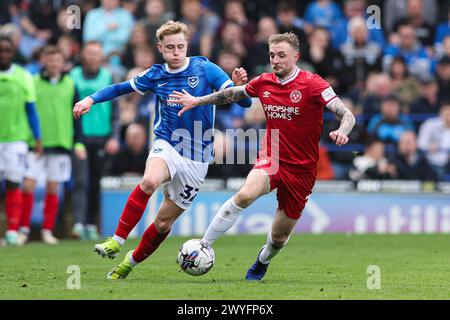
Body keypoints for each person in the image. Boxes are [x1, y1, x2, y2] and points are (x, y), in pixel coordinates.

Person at [72, 20, 251, 279]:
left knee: (163, 223)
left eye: (180, 46)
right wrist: (90, 99)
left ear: (187, 44)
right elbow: (120, 88)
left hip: (198, 157)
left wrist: (238, 89)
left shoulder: (206, 69)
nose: (176, 52)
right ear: (160, 47)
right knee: (149, 181)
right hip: (168, 142)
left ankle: (128, 264)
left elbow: (244, 106)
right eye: (170, 47)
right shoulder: (156, 74)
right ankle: (117, 240)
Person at [170, 32, 356, 280]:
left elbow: (347, 114)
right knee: (245, 194)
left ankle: (263, 259)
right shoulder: (264, 82)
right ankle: (204, 244)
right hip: (273, 155)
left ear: (296, 56)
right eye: (272, 55)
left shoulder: (314, 84)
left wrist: (343, 132)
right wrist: (197, 101)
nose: (275, 60)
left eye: (282, 55)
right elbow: (232, 94)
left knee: (279, 237)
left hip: (302, 170)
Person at [19, 46, 82, 245]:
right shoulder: (33, 82)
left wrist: (77, 141)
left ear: (63, 63)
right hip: (36, 144)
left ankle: (47, 230)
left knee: (53, 188)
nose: (54, 63)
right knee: (28, 185)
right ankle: (23, 229)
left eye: (58, 60)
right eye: (50, 59)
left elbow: (77, 116)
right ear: (44, 61)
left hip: (61, 143)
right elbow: (26, 111)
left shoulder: (71, 84)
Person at [69, 41, 120, 240]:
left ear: (101, 57)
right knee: (80, 181)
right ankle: (78, 224)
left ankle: (91, 224)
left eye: (96, 53)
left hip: (102, 137)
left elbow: (115, 111)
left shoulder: (108, 76)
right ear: (83, 55)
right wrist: (75, 140)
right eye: (89, 53)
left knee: (96, 182)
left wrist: (114, 137)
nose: (92, 57)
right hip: (81, 137)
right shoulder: (72, 76)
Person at [0, 36, 42, 245]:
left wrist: (38, 137)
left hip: (16, 139)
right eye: (1, 50)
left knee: (13, 182)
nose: (3, 54)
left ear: (13, 52)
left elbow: (31, 110)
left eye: (7, 50)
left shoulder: (23, 76)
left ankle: (13, 230)